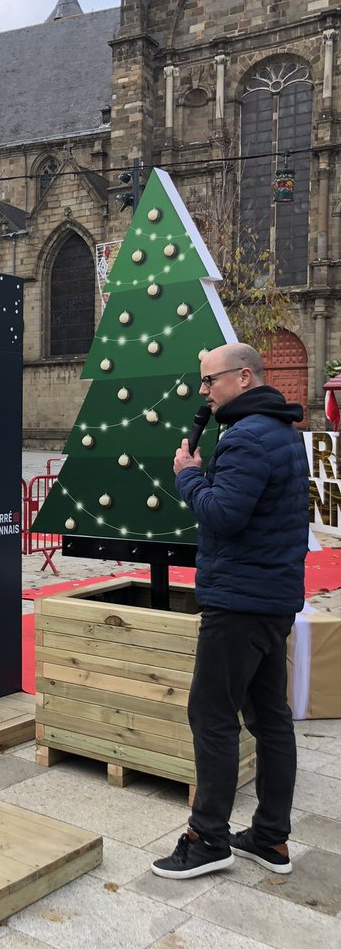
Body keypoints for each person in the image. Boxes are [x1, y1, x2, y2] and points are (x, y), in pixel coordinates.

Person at [152, 343, 309, 880]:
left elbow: (222, 515)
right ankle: (270, 838)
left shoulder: (246, 438)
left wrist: (188, 475)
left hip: (239, 603)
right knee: (269, 718)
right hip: (272, 599)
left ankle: (207, 839)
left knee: (211, 714)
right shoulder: (281, 431)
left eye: (209, 381)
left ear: (243, 378)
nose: (204, 392)